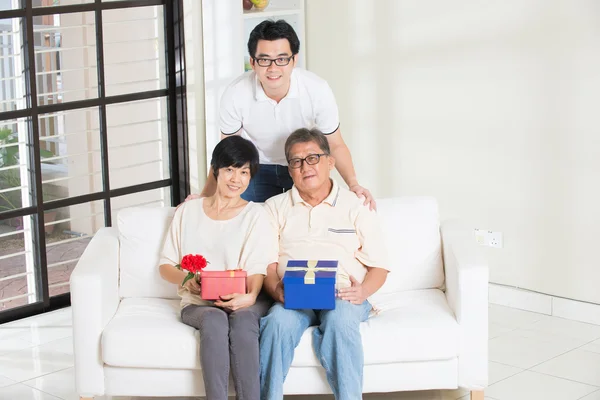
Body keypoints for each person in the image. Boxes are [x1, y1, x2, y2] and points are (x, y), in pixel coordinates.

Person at [259, 128, 390, 400]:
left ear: (330, 162)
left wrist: (363, 292)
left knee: (340, 321)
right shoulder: (273, 207)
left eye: (313, 158)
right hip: (294, 295)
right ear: (289, 170)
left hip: (342, 294)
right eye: (296, 161)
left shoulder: (356, 205)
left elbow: (380, 266)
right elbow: (268, 265)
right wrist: (275, 290)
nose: (305, 166)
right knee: (276, 324)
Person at [194, 19, 375, 209]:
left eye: (281, 59)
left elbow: (335, 144)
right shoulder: (235, 94)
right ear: (253, 63)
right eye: (264, 60)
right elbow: (227, 152)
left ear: (294, 60)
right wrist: (206, 196)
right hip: (257, 167)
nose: (273, 69)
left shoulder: (317, 89)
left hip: (301, 164)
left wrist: (353, 184)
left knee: (307, 221)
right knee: (250, 221)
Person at [158, 136, 278, 400]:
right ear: (216, 170)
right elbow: (165, 266)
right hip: (198, 302)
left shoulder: (256, 214)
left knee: (244, 320)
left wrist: (250, 296)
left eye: (244, 172)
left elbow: (258, 266)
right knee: (214, 319)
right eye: (230, 170)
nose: (236, 179)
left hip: (246, 297)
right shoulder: (187, 212)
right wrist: (187, 280)